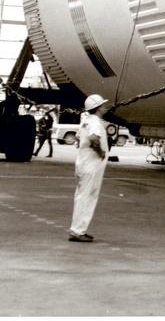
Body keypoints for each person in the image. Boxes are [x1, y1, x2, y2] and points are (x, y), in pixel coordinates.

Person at [68, 94, 110, 242]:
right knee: (88, 197)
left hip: (83, 163)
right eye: (103, 105)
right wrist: (101, 152)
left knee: (81, 196)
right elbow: (93, 138)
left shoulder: (86, 121)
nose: (105, 107)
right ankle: (78, 231)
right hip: (92, 165)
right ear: (98, 108)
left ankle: (77, 229)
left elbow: (79, 139)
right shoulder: (96, 123)